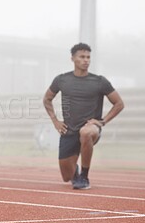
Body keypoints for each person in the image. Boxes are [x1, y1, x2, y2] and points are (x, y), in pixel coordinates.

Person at [43, 43, 124, 190]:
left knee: (85, 132)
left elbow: (119, 103)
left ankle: (84, 176)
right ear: (73, 58)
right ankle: (75, 172)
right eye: (82, 57)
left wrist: (102, 122)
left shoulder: (100, 81)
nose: (86, 60)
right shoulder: (61, 80)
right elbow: (47, 99)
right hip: (69, 130)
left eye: (88, 57)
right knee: (66, 176)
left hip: (90, 128)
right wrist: (55, 121)